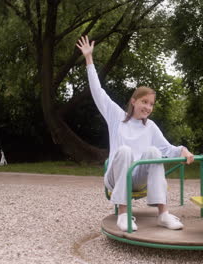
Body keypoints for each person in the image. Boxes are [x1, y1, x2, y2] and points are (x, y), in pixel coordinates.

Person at [76, 36, 194, 232]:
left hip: (137, 178)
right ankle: (123, 215)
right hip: (116, 176)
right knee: (124, 151)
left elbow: (168, 149)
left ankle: (163, 214)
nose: (147, 107)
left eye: (151, 104)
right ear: (134, 101)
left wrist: (184, 151)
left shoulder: (151, 127)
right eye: (144, 102)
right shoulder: (117, 117)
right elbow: (97, 91)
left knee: (155, 153)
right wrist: (89, 59)